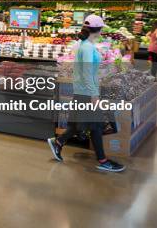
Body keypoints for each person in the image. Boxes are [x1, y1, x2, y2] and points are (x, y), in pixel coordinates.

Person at [47, 14, 125, 173]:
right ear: (99, 29)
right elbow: (87, 73)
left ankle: (58, 142)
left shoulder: (84, 44)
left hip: (81, 90)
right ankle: (103, 160)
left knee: (78, 124)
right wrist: (94, 95)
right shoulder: (87, 47)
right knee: (95, 126)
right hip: (87, 93)